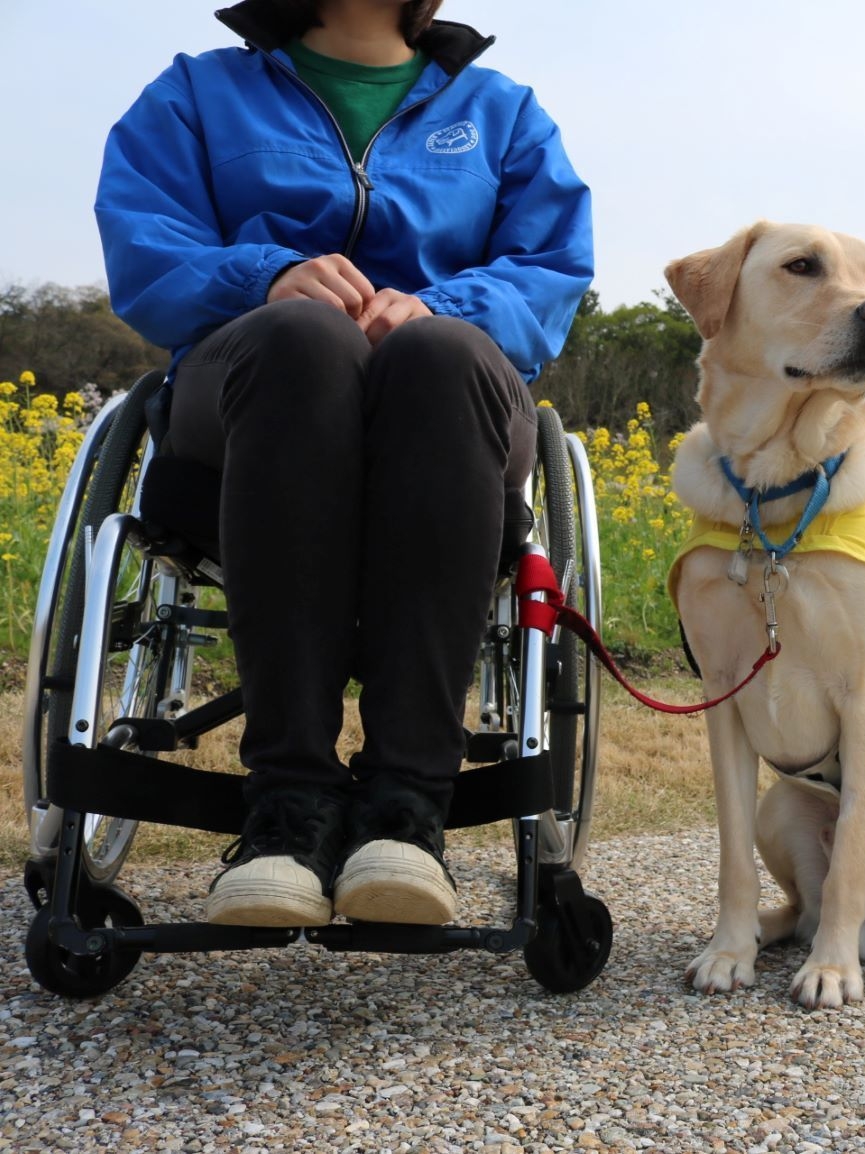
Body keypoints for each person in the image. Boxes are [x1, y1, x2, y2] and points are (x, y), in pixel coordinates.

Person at [94, 0, 592, 928]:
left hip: (452, 409)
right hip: (251, 393)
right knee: (303, 337)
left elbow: (551, 268)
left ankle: (407, 809)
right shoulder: (198, 93)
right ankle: (290, 807)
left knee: (437, 355)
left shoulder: (503, 112)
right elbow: (145, 243)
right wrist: (266, 277)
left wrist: (446, 305)